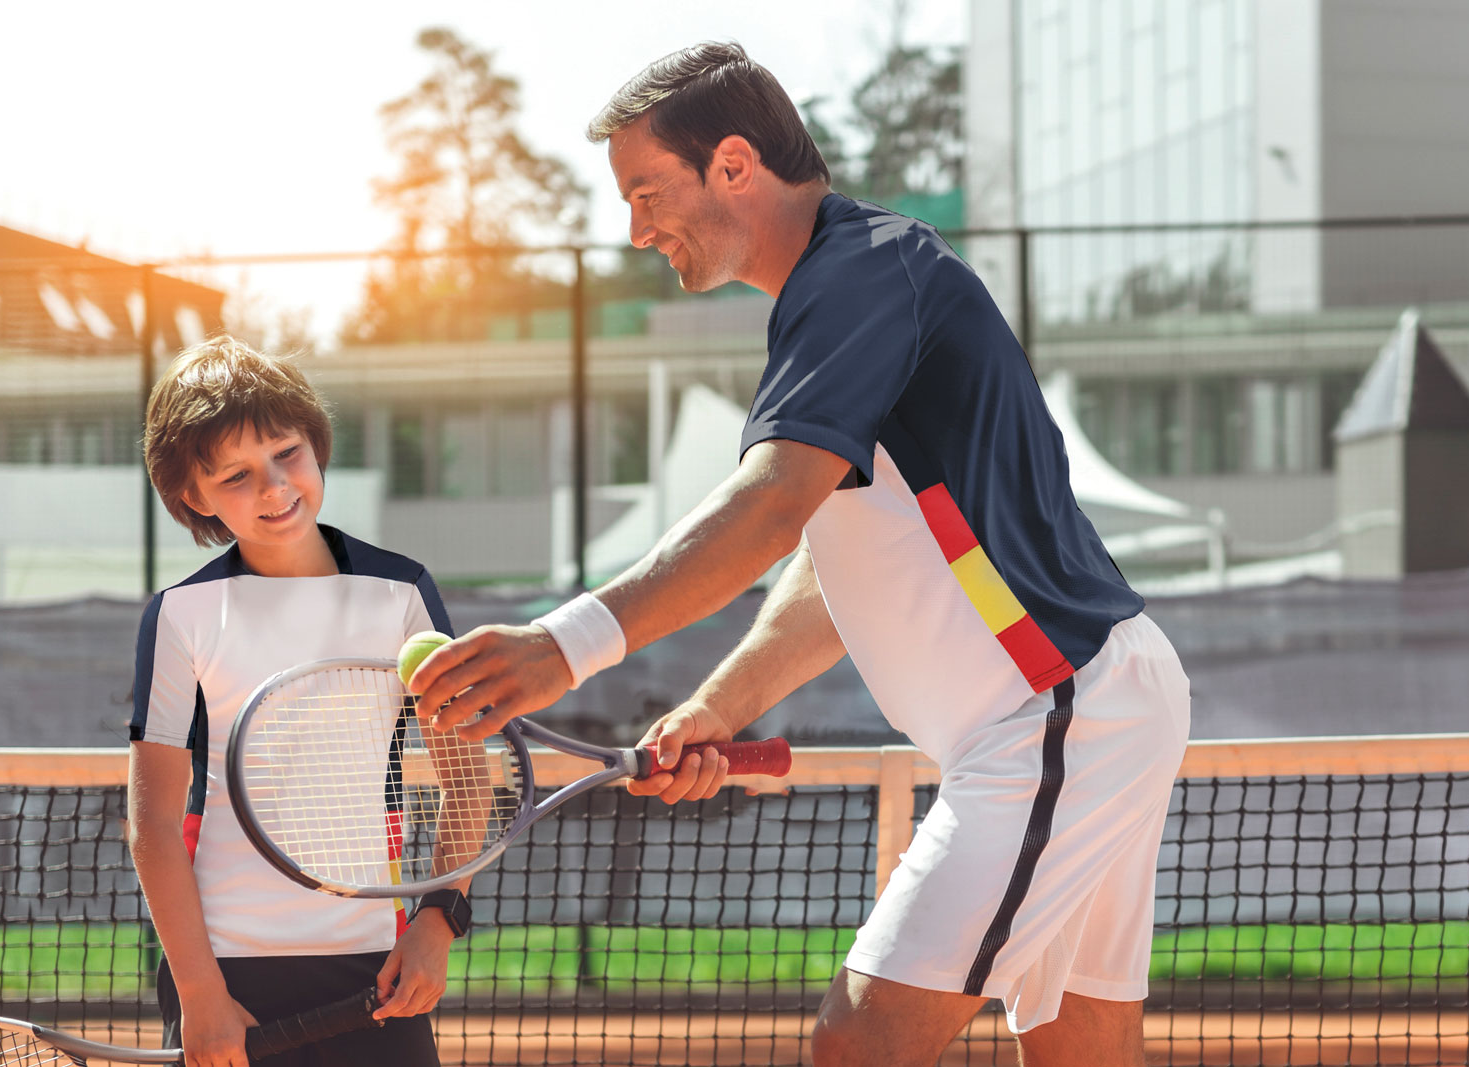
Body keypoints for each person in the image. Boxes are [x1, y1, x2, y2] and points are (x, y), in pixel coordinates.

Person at [407, 41, 1190, 1067]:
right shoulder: (849, 285)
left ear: (734, 164)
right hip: (1078, 712)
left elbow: (773, 504)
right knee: (1077, 1042)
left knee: (856, 1043)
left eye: (648, 192)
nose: (637, 230)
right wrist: (717, 709)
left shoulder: (861, 272)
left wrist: (566, 644)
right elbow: (827, 563)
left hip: (1054, 713)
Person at [128, 337, 469, 1067]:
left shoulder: (403, 592)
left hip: (374, 962)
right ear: (195, 495)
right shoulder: (180, 615)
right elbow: (153, 822)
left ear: (316, 444)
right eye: (238, 475)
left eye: (288, 453)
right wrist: (199, 992)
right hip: (225, 970)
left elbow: (469, 778)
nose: (277, 487)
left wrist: (437, 922)